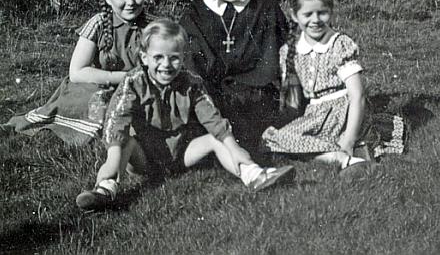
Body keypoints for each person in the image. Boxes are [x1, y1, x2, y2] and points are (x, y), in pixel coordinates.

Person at [75, 19, 295, 211]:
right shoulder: (133, 82)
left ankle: (252, 174)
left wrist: (234, 147)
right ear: (144, 57)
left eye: (174, 58)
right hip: (145, 157)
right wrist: (113, 158)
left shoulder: (191, 82)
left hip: (181, 153)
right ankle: (106, 189)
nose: (166, 65)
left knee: (214, 140)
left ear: (182, 57)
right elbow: (117, 120)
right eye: (158, 57)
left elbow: (212, 118)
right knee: (126, 143)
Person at [0, 0, 152, 146]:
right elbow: (77, 72)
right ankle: (20, 127)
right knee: (96, 104)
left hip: (141, 89)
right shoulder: (99, 23)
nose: (130, 2)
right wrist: (124, 77)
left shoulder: (155, 27)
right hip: (97, 87)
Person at [179, 0, 287, 152]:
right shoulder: (193, 15)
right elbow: (192, 71)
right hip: (213, 105)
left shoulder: (265, 6)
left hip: (259, 103)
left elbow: (281, 62)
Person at [262, 0, 375, 174]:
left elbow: (357, 95)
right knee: (269, 140)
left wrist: (349, 139)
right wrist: (293, 124)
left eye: (322, 13)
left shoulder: (338, 45)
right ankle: (335, 156)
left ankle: (344, 151)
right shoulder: (291, 50)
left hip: (342, 112)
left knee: (284, 141)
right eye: (307, 14)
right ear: (295, 16)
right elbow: (293, 100)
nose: (315, 20)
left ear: (331, 12)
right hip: (315, 115)